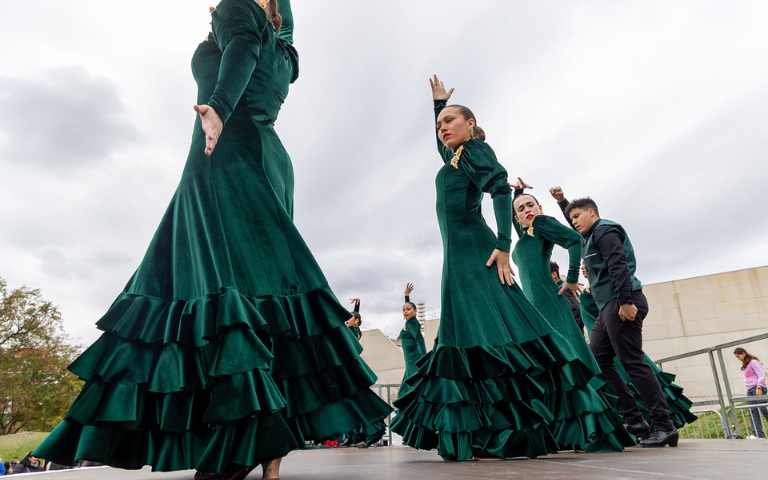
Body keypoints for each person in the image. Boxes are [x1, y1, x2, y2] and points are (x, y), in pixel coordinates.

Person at [32, 1, 392, 479]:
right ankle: (265, 445)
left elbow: (240, 46)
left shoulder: (240, 12)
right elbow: (259, 40)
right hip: (266, 158)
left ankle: (241, 439)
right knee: (260, 293)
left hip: (223, 155)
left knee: (204, 289)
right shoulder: (285, 44)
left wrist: (217, 110)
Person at [391, 75, 625, 461]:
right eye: (439, 124)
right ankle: (487, 431)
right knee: (471, 338)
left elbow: (499, 188)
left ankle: (536, 423)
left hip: (478, 254)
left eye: (450, 120)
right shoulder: (456, 157)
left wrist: (503, 245)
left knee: (492, 335)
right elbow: (443, 146)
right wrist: (436, 104)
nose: (443, 128)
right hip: (459, 259)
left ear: (471, 125)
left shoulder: (475, 151)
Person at [510, 183, 633, 451]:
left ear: (539, 208)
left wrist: (572, 278)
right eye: (521, 209)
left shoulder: (541, 223)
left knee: (569, 364)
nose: (527, 210)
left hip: (551, 305)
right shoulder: (525, 235)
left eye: (531, 205)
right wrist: (515, 194)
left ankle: (594, 431)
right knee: (551, 370)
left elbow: (573, 240)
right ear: (515, 218)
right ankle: (565, 434)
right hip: (533, 310)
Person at [553, 189, 677, 448]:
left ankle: (665, 427)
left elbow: (618, 264)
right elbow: (573, 225)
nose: (573, 221)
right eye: (570, 217)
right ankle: (635, 422)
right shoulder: (588, 236)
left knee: (632, 362)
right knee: (598, 359)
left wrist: (626, 301)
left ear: (592, 212)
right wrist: (562, 203)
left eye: (577, 216)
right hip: (608, 307)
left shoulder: (604, 231)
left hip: (621, 301)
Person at [396, 283, 427, 399]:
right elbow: (408, 310)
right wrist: (406, 296)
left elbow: (419, 339)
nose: (405, 311)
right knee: (406, 388)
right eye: (403, 310)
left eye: (408, 309)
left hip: (414, 360)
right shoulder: (408, 322)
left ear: (415, 311)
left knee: (413, 387)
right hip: (409, 361)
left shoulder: (413, 323)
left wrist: (424, 359)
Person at [734, 347, 768, 438]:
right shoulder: (747, 364)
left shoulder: (753, 362)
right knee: (753, 411)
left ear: (744, 353)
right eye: (736, 357)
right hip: (750, 390)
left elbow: (761, 374)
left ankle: (757, 434)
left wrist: (759, 387)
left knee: (765, 410)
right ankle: (757, 434)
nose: (738, 358)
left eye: (738, 356)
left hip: (757, 388)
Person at [550, 261, 585, 335]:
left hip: (573, 335)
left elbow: (576, 310)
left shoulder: (562, 290)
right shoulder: (560, 288)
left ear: (554, 274)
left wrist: (571, 332)